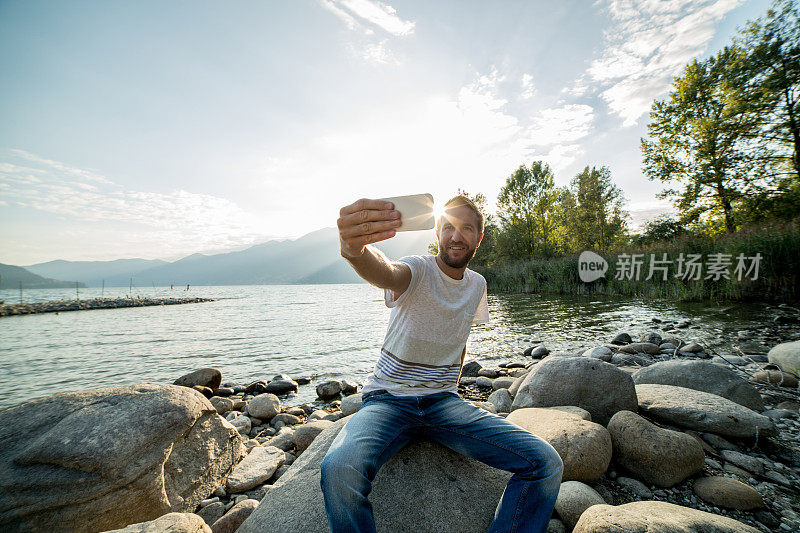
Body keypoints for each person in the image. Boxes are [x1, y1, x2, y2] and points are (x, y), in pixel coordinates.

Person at [320, 195, 563, 533]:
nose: (456, 236)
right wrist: (354, 250)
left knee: (546, 463)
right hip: (388, 402)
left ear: (479, 238)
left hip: (443, 405)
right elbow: (387, 272)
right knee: (338, 468)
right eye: (448, 227)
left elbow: (459, 338)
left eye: (466, 229)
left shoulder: (477, 284)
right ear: (437, 233)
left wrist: (451, 387)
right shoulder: (418, 269)